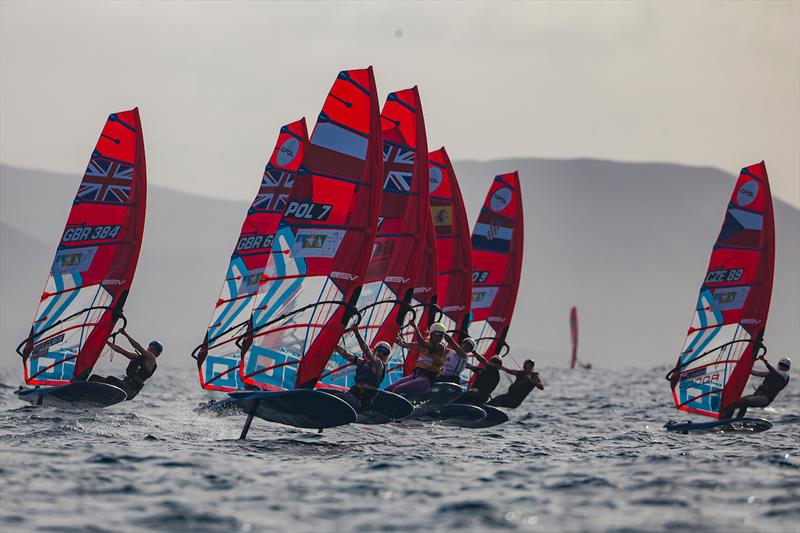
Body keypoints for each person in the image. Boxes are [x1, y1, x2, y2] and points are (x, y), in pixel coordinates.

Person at [88, 329, 162, 400]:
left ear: (157, 354)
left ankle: (93, 394)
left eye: (153, 350)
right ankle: (88, 393)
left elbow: (138, 347)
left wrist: (126, 335)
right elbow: (120, 350)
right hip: (124, 384)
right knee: (94, 378)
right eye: (150, 348)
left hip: (130, 390)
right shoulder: (136, 357)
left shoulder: (152, 359)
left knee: (111, 379)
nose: (150, 350)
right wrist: (105, 341)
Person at [334, 326, 390, 411]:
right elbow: (346, 355)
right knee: (337, 396)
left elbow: (366, 350)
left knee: (339, 398)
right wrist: (334, 346)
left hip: (363, 400)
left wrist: (357, 334)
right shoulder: (363, 362)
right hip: (354, 394)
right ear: (375, 350)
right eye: (380, 350)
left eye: (385, 353)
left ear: (387, 357)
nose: (381, 354)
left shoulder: (379, 365)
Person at [385, 322, 448, 395]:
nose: (439, 337)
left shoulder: (440, 346)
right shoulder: (425, 344)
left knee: (398, 389)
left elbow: (423, 343)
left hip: (426, 380)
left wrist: (416, 328)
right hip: (416, 376)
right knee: (388, 389)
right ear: (431, 334)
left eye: (442, 336)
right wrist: (393, 334)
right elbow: (404, 345)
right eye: (437, 334)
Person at [720, 355, 790, 419]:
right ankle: (724, 419)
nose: (782, 366)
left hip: (765, 399)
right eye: (781, 364)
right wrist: (746, 367)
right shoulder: (773, 373)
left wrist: (765, 361)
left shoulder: (784, 376)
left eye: (785, 366)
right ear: (778, 364)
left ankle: (738, 419)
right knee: (734, 403)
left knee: (745, 402)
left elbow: (773, 370)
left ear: (787, 368)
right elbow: (757, 373)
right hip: (757, 395)